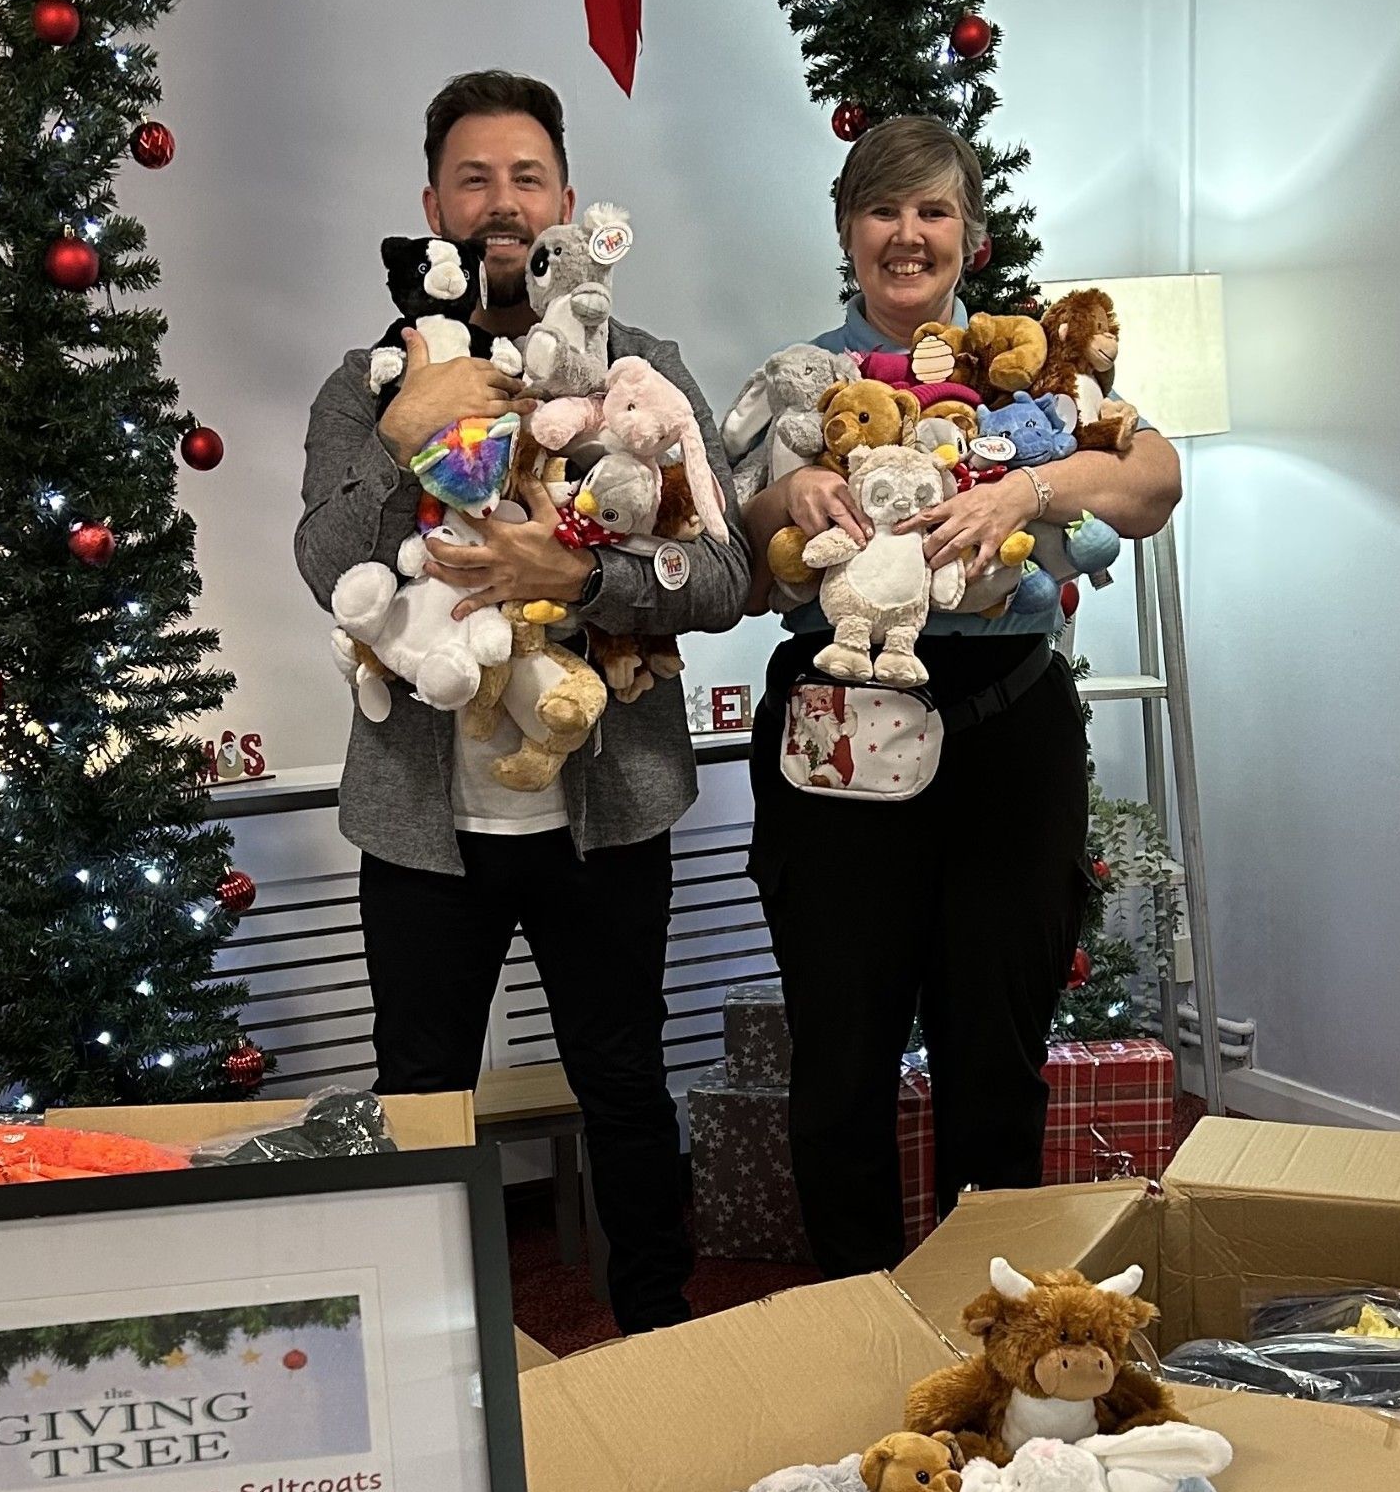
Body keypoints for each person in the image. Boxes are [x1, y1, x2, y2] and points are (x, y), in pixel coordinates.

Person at [295, 69, 749, 1332]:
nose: (503, 203)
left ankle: (654, 1337)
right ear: (431, 204)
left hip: (606, 813)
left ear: (567, 198)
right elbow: (327, 565)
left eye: (528, 177)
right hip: (424, 827)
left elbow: (721, 570)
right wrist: (403, 438)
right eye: (476, 179)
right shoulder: (368, 378)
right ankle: (432, 1362)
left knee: (624, 1084)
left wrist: (583, 575)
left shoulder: (639, 369)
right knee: (424, 1095)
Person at [737, 116, 1183, 1276]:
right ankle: (854, 1322)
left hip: (1007, 736)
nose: (908, 234)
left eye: (933, 211)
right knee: (841, 1061)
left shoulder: (1028, 373)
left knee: (996, 1058)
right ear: (848, 229)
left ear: (969, 236)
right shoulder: (807, 383)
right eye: (883, 210)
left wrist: (1026, 488)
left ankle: (994, 1335)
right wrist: (789, 495)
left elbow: (1152, 478)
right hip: (840, 737)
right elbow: (736, 554)